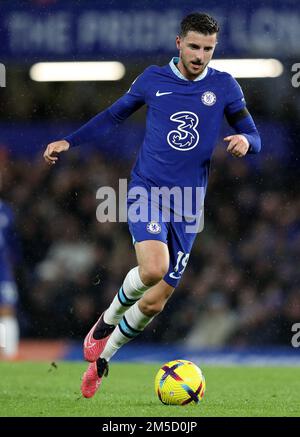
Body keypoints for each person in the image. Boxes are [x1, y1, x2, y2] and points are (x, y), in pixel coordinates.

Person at [43, 12, 261, 398]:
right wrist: (69, 141)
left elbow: (251, 133)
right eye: (194, 46)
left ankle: (103, 360)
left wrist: (245, 142)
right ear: (179, 43)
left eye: (208, 48)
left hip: (189, 205)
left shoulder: (225, 86)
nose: (200, 55)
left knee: (156, 301)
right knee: (153, 268)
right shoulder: (152, 79)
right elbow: (113, 116)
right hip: (147, 190)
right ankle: (105, 323)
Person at [0, 196, 21, 360]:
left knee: (7, 308)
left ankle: (9, 355)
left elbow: (13, 243)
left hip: (2, 267)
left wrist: (12, 265)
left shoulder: (5, 210)